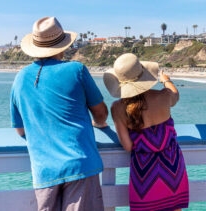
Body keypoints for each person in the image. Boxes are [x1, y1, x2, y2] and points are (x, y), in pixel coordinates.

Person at [10, 17, 108, 211]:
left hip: (45, 171)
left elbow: (20, 130)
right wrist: (97, 123)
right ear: (62, 46)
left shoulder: (20, 78)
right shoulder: (76, 70)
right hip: (80, 164)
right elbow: (101, 113)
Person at [103, 53, 189, 211]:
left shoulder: (118, 108)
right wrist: (166, 80)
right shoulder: (163, 96)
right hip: (172, 165)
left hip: (144, 172)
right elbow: (175, 95)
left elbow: (128, 146)